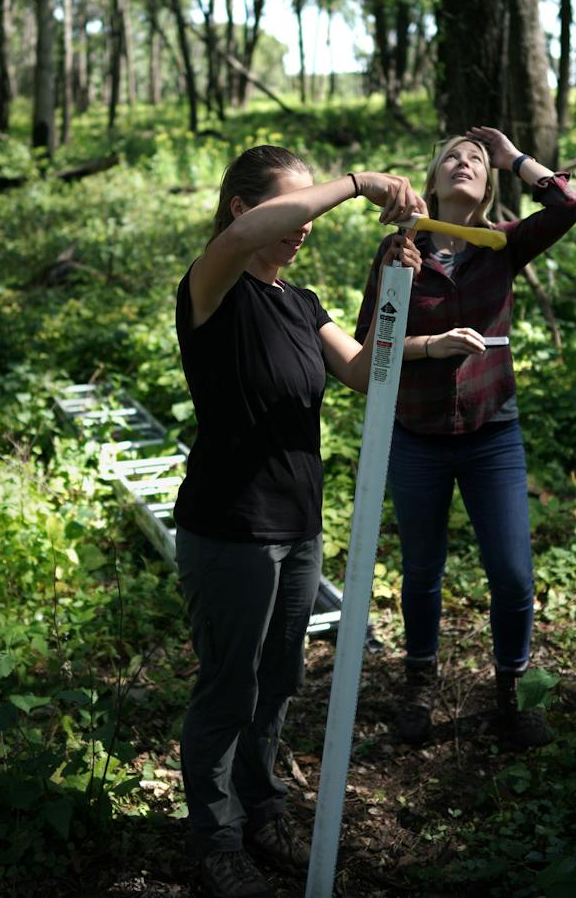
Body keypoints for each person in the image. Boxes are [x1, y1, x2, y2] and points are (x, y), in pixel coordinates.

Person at [173, 145, 423, 898]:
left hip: (298, 526)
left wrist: (407, 310)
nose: (308, 223)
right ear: (244, 212)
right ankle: (213, 840)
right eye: (299, 205)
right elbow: (250, 240)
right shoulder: (212, 284)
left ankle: (261, 809)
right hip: (229, 528)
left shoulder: (300, 301)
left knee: (277, 683)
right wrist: (355, 185)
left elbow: (361, 369)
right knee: (228, 689)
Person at [355, 126, 576, 750]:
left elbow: (568, 206)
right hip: (418, 434)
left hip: (492, 434)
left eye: (476, 161)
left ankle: (513, 687)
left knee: (512, 574)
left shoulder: (501, 245)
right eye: (452, 157)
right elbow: (366, 354)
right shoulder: (398, 253)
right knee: (421, 570)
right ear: (431, 182)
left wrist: (516, 158)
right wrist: (428, 339)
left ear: (486, 187)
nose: (464, 163)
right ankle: (419, 685)